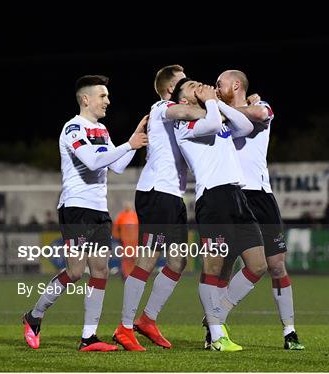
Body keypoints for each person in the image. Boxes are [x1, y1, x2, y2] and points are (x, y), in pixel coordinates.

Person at [22, 75, 149, 351]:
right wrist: (128, 145)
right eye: (103, 96)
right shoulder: (72, 129)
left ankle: (88, 338)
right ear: (86, 99)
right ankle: (34, 316)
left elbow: (114, 166)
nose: (108, 101)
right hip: (76, 208)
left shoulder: (101, 130)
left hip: (99, 211)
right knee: (76, 272)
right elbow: (92, 161)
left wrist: (133, 142)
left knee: (101, 270)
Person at [113, 65, 208, 351]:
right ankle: (124, 327)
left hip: (173, 195)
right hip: (156, 192)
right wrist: (216, 109)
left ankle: (147, 320)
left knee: (178, 261)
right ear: (170, 90)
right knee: (148, 259)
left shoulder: (175, 112)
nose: (188, 87)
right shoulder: (162, 107)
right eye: (183, 83)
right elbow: (184, 112)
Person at [172, 78, 267, 351]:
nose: (200, 85)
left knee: (257, 265)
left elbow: (247, 126)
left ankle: (217, 316)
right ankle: (216, 336)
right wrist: (214, 102)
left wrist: (219, 106)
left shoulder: (215, 114)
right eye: (192, 85)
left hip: (238, 197)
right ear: (184, 100)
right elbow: (212, 124)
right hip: (213, 198)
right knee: (213, 268)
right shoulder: (183, 123)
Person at [214, 70, 304, 350]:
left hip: (261, 196)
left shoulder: (259, 107)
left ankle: (289, 332)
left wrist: (227, 106)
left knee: (276, 265)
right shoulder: (216, 114)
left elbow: (262, 114)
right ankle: (216, 325)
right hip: (231, 194)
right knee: (226, 264)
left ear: (236, 85)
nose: (216, 89)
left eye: (220, 84)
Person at [112, 201, 139, 280]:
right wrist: (118, 238)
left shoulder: (135, 216)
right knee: (127, 258)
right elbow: (115, 229)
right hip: (125, 241)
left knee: (134, 258)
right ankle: (126, 275)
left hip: (135, 241)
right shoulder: (122, 216)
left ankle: (134, 275)